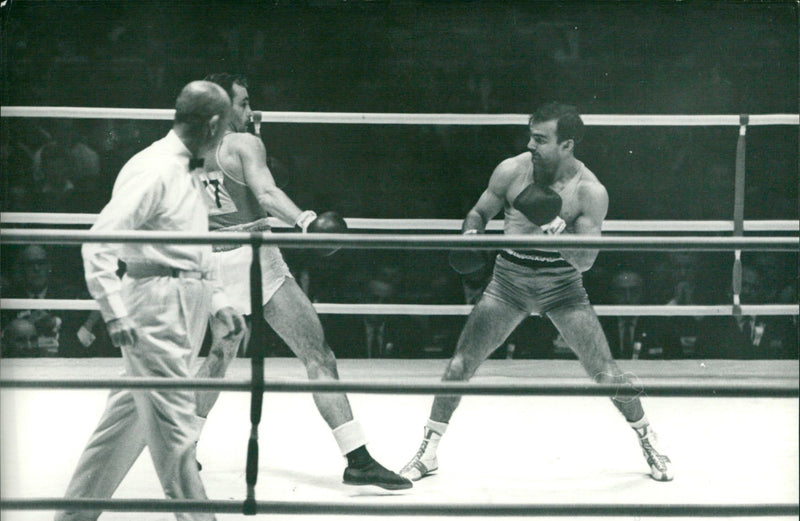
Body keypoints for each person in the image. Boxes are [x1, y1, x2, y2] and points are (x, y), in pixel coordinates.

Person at [19, 81, 271, 521]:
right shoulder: (153, 169)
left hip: (182, 297)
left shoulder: (188, 169)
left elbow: (190, 246)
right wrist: (114, 312)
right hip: (154, 303)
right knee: (175, 420)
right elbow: (99, 241)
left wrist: (217, 301)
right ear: (213, 124)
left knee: (127, 419)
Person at [400, 103, 673, 483]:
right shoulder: (512, 170)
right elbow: (479, 212)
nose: (531, 144)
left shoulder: (591, 191)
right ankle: (428, 452)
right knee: (461, 364)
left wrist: (555, 224)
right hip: (508, 280)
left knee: (606, 373)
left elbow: (587, 261)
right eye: (531, 135)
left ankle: (648, 439)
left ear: (567, 145)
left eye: (541, 139)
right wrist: (469, 235)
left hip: (563, 287)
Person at [193, 73, 411, 490]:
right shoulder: (243, 144)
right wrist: (306, 221)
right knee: (317, 354)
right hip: (256, 258)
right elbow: (269, 194)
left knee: (220, 357)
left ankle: (183, 446)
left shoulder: (186, 148)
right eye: (242, 103)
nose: (249, 110)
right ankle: (358, 459)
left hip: (212, 260)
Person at [601, 267, 683, 360]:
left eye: (634, 291)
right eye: (621, 292)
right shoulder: (601, 326)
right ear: (612, 294)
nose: (628, 298)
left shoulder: (660, 326)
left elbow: (677, 362)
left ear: (642, 293)